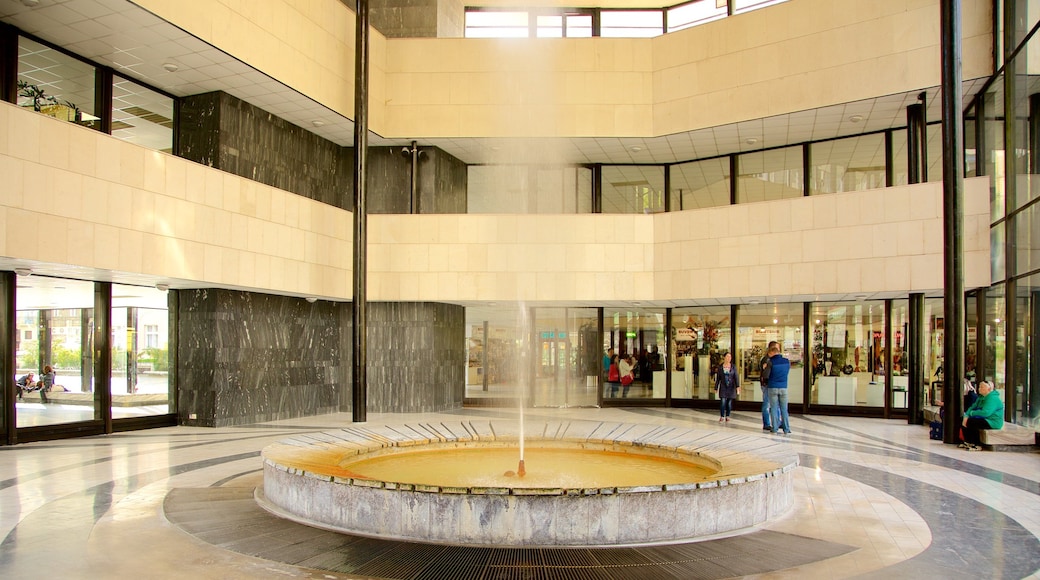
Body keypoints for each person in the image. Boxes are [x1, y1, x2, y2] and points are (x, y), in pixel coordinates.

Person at [960, 380, 1003, 450]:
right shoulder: (981, 397)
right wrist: (967, 415)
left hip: (992, 421)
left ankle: (977, 444)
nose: (979, 389)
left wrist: (971, 414)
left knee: (972, 422)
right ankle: (968, 441)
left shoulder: (992, 398)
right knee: (963, 419)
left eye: (982, 387)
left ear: (989, 389)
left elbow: (986, 413)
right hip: (984, 418)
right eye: (979, 387)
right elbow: (972, 407)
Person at [765, 343, 791, 434]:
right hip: (783, 387)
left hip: (773, 387)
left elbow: (766, 375)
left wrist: (765, 369)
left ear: (773, 352)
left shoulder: (770, 362)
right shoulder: (787, 361)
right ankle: (786, 428)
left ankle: (775, 428)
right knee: (784, 409)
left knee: (774, 408)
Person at [714, 352, 740, 422]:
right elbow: (718, 379)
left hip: (731, 387)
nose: (729, 358)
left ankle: (727, 415)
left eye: (730, 357)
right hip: (723, 386)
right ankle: (722, 416)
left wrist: (738, 386)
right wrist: (716, 387)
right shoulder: (720, 367)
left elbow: (736, 377)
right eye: (727, 357)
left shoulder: (733, 367)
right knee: (723, 401)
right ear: (724, 358)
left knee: (729, 403)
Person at [759, 341, 778, 431]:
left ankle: (776, 422)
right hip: (767, 385)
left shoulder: (771, 359)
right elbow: (765, 373)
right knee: (767, 404)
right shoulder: (766, 360)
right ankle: (766, 423)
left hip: (770, 384)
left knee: (773, 404)